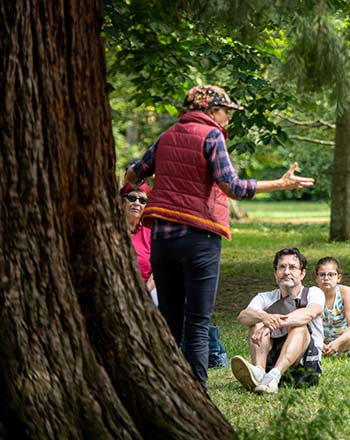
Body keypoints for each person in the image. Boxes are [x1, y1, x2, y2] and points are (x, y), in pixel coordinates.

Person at [123, 85, 314, 387]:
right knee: (197, 322)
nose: (228, 118)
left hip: (162, 239)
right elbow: (231, 187)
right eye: (226, 111)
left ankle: (167, 386)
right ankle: (196, 391)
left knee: (169, 319)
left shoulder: (167, 136)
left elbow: (135, 173)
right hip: (199, 238)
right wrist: (280, 184)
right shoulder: (211, 136)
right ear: (210, 110)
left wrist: (127, 183)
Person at [231, 248, 324, 393]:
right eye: (282, 267)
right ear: (275, 274)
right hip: (269, 365)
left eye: (292, 267)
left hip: (304, 370)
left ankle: (274, 376)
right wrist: (263, 318)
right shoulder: (264, 297)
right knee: (256, 322)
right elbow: (243, 316)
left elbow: (309, 313)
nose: (286, 272)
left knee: (299, 325)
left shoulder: (313, 293)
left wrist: (270, 325)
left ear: (302, 273)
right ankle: (260, 373)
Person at [314, 257, 350, 357]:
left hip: (342, 339)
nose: (326, 278)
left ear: (339, 278)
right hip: (318, 339)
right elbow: (307, 326)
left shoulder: (346, 292)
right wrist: (319, 342)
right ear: (316, 278)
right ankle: (333, 352)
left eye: (331, 275)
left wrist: (338, 343)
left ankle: (332, 351)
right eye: (322, 274)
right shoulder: (312, 294)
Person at [121, 182, 156, 304]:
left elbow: (157, 271)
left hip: (147, 289)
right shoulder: (110, 230)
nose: (137, 203)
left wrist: (145, 292)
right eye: (132, 198)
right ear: (122, 202)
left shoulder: (151, 233)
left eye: (142, 201)